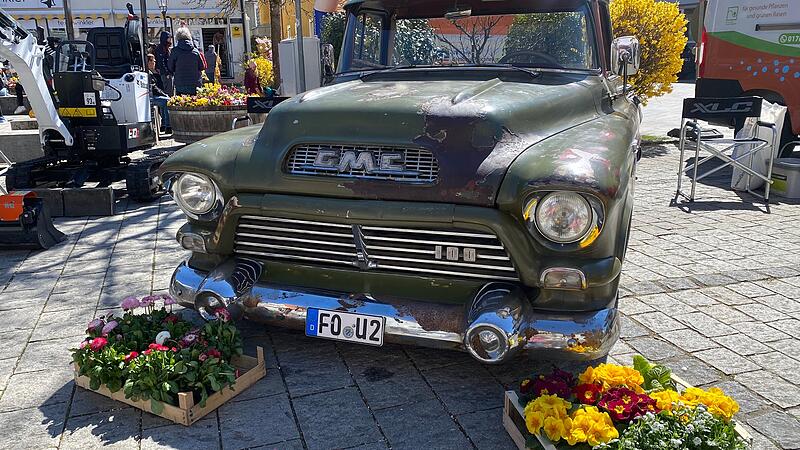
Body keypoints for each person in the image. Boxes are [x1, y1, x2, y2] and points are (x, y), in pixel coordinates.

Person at [168, 28, 205, 95]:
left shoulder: (175, 51)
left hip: (180, 83)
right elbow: (202, 66)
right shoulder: (195, 51)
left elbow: (170, 67)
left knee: (181, 103)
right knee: (195, 103)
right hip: (195, 83)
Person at [147, 54, 171, 134]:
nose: (155, 63)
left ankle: (164, 125)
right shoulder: (148, 73)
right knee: (167, 101)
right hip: (150, 97)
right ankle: (168, 126)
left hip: (152, 95)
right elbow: (154, 88)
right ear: (149, 62)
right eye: (153, 61)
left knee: (165, 102)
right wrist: (164, 94)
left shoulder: (151, 72)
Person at [154, 31, 173, 96]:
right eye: (169, 38)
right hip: (165, 73)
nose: (170, 39)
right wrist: (167, 72)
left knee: (170, 90)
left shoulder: (166, 47)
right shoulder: (161, 48)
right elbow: (161, 61)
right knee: (168, 91)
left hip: (167, 73)